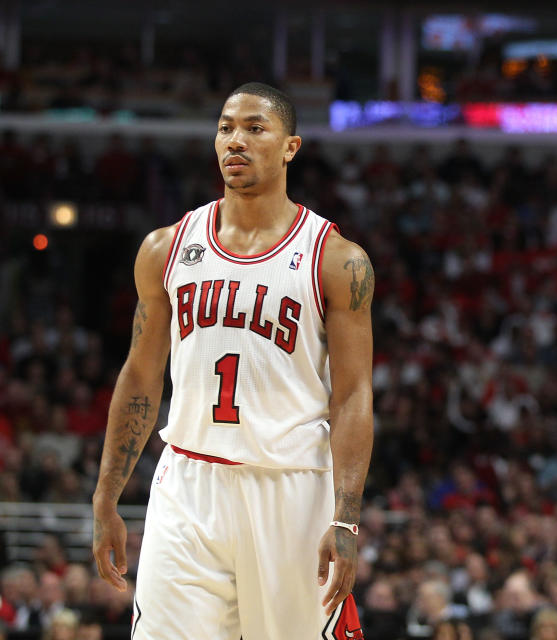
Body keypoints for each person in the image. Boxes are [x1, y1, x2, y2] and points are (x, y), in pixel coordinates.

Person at [91, 82, 373, 640]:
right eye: (225, 128)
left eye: (254, 128)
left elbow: (354, 396)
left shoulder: (336, 260)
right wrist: (105, 496)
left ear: (291, 146)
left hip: (290, 488)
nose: (235, 141)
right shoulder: (165, 247)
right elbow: (141, 378)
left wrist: (345, 517)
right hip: (189, 483)